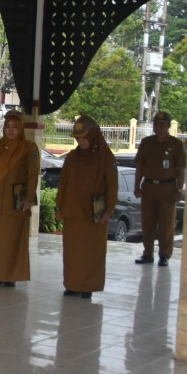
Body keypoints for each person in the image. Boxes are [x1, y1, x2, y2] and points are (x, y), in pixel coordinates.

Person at [0, 109, 41, 288]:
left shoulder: (29, 148)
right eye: (8, 127)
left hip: (16, 204)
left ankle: (10, 276)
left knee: (12, 242)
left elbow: (33, 174)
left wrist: (28, 199)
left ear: (21, 129)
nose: (11, 131)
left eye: (15, 127)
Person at [56, 115, 118, 299]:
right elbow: (63, 184)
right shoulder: (72, 157)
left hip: (94, 214)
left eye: (84, 137)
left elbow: (112, 187)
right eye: (77, 138)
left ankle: (88, 286)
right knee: (73, 252)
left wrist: (109, 210)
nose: (80, 141)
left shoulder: (106, 158)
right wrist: (59, 207)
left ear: (93, 136)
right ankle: (72, 285)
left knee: (91, 252)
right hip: (73, 212)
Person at [133, 110, 185, 266]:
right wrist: (137, 186)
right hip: (149, 187)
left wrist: (179, 190)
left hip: (167, 188)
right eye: (156, 124)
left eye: (162, 124)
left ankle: (164, 255)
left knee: (166, 225)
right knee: (147, 223)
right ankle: (147, 253)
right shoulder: (146, 143)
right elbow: (140, 167)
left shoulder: (176, 145)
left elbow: (181, 170)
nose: (158, 127)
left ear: (168, 126)